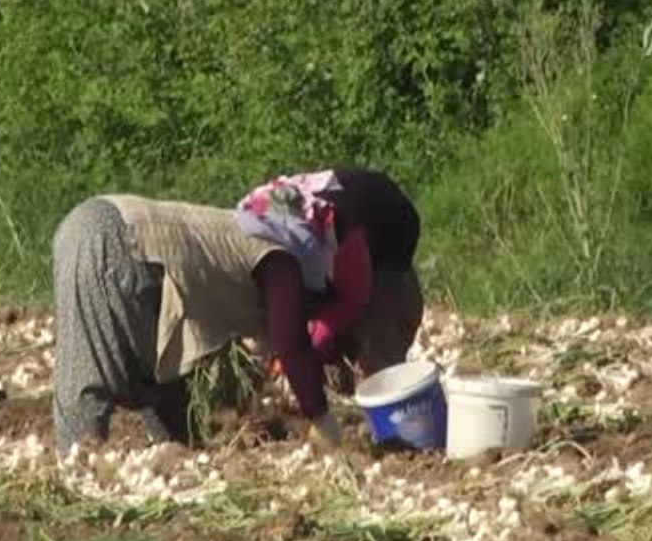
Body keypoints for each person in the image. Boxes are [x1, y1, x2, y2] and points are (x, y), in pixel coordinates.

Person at [51, 168, 423, 454]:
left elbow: (269, 344)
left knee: (169, 400)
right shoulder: (279, 260)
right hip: (112, 238)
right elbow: (291, 343)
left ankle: (172, 448)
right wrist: (320, 417)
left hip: (116, 241)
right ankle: (72, 497)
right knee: (88, 394)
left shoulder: (245, 232)